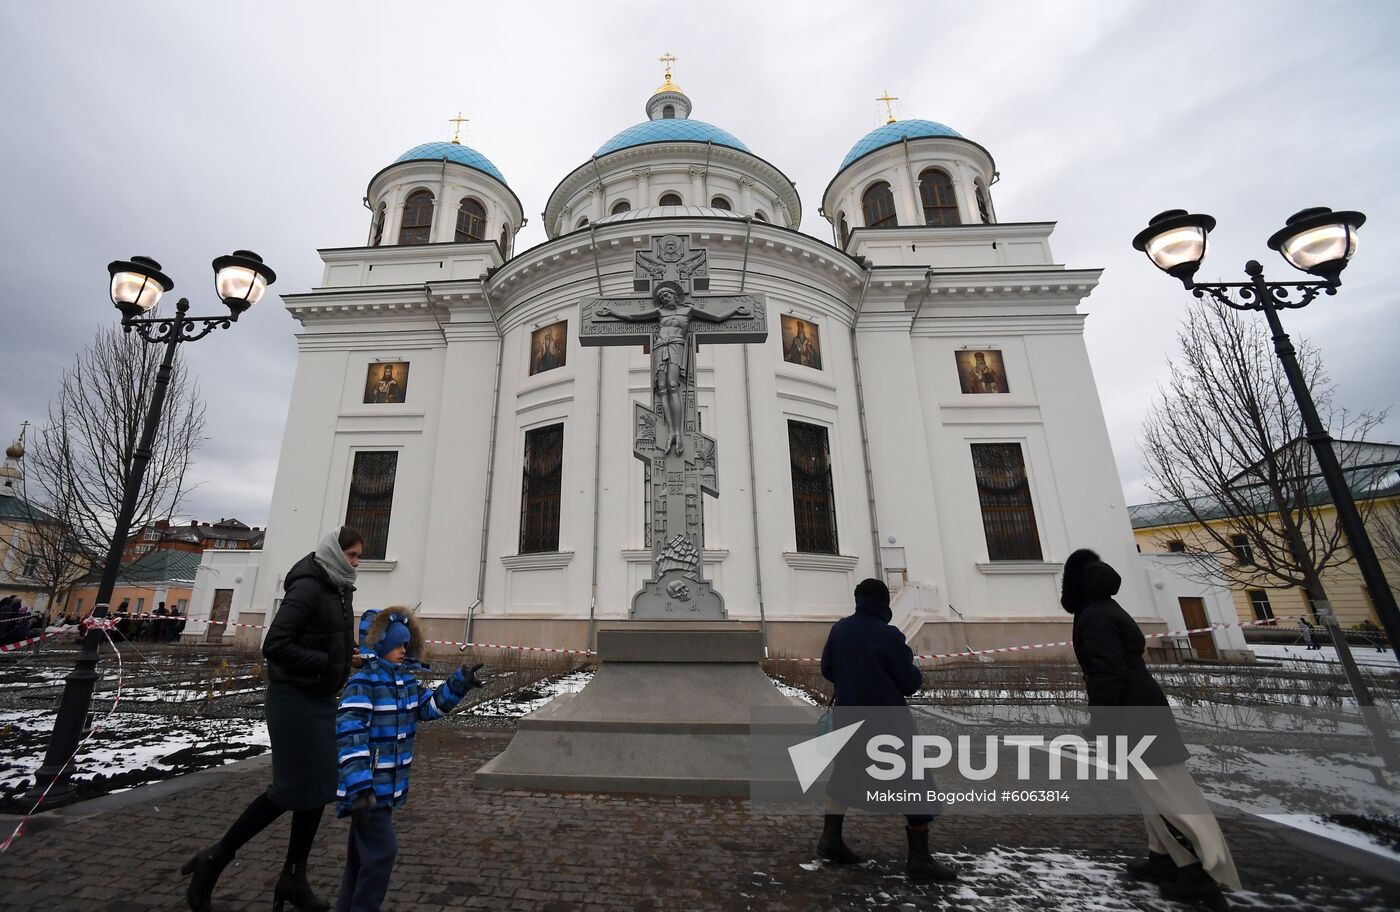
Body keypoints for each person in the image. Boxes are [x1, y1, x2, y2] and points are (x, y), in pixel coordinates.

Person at [182, 527, 363, 912]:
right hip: (293, 700)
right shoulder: (309, 586)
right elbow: (276, 644)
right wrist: (328, 661)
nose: (357, 563)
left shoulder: (340, 588)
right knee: (288, 790)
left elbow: (328, 638)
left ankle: (294, 877)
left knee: (318, 788)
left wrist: (348, 654)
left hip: (319, 698)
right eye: (352, 555)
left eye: (359, 556)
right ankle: (214, 859)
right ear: (335, 553)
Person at [1062, 548, 1240, 905]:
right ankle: (1164, 858)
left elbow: (1108, 671)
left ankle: (1200, 872)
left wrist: (1101, 719)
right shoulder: (1105, 609)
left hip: (1134, 713)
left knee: (1167, 792)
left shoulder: (1095, 617)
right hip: (1138, 707)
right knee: (1149, 791)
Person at [334, 607, 484, 911]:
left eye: (406, 644)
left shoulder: (405, 683)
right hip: (368, 790)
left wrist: (459, 684)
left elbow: (429, 708)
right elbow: (350, 735)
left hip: (384, 790)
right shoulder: (363, 684)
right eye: (397, 645)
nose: (403, 650)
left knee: (360, 859)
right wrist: (359, 786)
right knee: (381, 854)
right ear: (379, 645)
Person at [815, 578, 957, 882]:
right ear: (884, 603)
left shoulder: (840, 630)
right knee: (915, 783)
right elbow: (909, 682)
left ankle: (830, 839)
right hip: (887, 724)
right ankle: (919, 858)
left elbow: (827, 668)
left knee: (845, 775)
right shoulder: (888, 635)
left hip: (849, 719)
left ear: (857, 600)